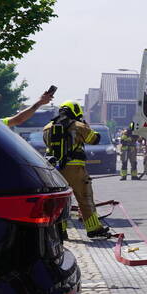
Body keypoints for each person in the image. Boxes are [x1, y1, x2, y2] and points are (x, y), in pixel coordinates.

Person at [43, 100, 112, 239]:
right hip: (75, 170)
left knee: (60, 201)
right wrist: (86, 126)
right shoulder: (78, 126)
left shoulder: (47, 127)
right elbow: (94, 139)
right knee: (85, 198)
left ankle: (60, 232)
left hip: (55, 170)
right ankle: (93, 229)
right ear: (75, 112)